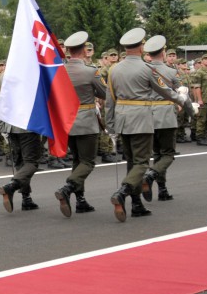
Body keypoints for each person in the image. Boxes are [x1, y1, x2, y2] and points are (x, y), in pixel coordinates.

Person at [105, 28, 184, 222]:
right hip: (141, 119)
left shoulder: (114, 69)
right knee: (141, 163)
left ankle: (137, 204)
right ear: (141, 47)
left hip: (123, 120)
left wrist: (111, 125)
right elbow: (167, 91)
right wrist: (183, 101)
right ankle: (123, 192)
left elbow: (110, 100)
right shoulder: (147, 69)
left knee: (132, 163)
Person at [49, 31, 111, 215]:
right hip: (86, 121)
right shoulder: (90, 71)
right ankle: (67, 189)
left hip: (66, 122)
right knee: (88, 162)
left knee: (77, 160)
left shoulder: (59, 71)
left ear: (68, 51)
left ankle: (80, 200)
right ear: (84, 50)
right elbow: (105, 93)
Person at [144, 35, 183, 201]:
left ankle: (162, 189)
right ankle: (152, 176)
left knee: (157, 154)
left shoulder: (143, 69)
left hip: (147, 115)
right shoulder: (172, 72)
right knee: (168, 154)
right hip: (166, 115)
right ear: (163, 52)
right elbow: (182, 93)